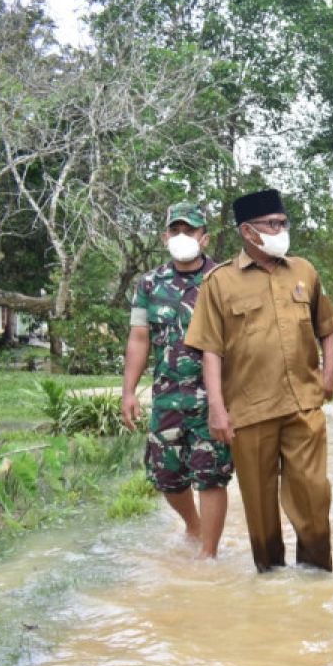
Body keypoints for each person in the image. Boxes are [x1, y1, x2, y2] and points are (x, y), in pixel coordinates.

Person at [184, 188, 333, 572]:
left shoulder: (304, 271)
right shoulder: (220, 283)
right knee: (259, 505)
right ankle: (270, 579)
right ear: (247, 232)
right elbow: (210, 350)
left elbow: (328, 326)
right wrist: (218, 410)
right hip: (250, 411)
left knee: (314, 493)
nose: (281, 229)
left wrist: (329, 372)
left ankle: (316, 575)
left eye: (283, 222)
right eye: (273, 224)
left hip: (303, 403)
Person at [121, 202, 232, 558]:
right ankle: (193, 525)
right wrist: (129, 392)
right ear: (165, 236)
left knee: (211, 474)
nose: (183, 237)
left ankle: (209, 554)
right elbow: (139, 338)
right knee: (166, 475)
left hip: (214, 396)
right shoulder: (150, 284)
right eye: (177, 230)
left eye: (191, 230)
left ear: (205, 236)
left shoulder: (224, 278)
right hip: (168, 395)